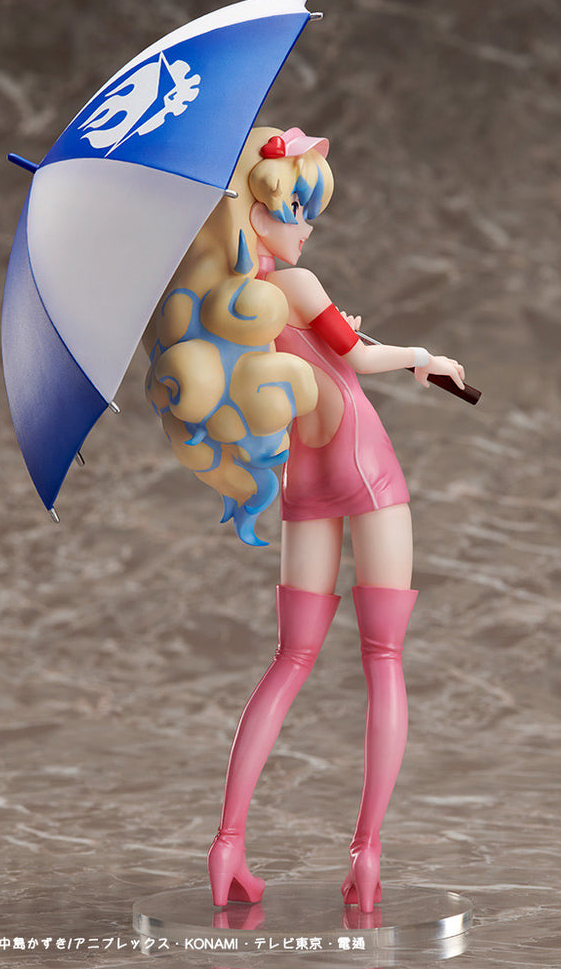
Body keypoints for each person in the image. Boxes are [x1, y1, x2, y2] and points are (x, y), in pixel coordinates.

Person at [144, 126, 466, 913]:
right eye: (295, 210)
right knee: (383, 657)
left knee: (289, 659)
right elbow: (357, 358)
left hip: (304, 479)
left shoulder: (233, 310)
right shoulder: (297, 283)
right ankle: (366, 855)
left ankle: (227, 844)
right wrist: (423, 357)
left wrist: (336, 333)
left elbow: (321, 355)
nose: (307, 227)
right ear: (253, 212)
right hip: (365, 464)